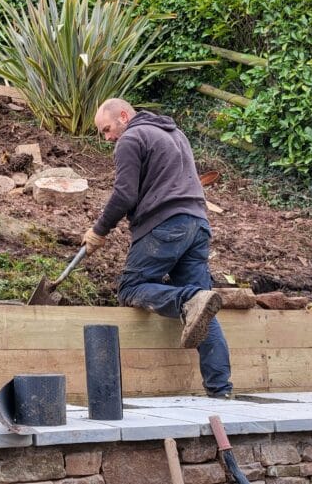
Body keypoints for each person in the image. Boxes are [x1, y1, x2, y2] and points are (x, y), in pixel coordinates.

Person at [81, 97, 233, 398]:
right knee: (204, 309)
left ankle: (189, 299)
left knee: (131, 287)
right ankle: (220, 390)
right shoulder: (176, 134)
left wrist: (99, 230)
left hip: (165, 227)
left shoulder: (132, 138)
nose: (108, 138)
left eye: (107, 129)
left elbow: (124, 194)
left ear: (124, 115)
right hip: (198, 225)